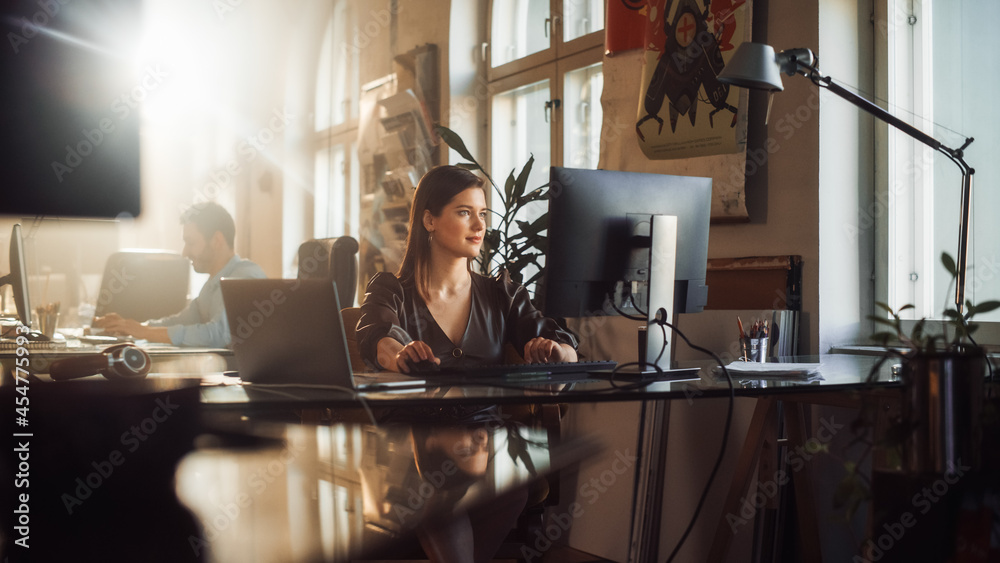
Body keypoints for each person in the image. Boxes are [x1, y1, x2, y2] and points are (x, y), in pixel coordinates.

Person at [356, 165, 578, 373]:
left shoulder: (503, 294)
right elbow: (378, 339)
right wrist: (399, 356)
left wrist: (559, 353)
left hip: (487, 417)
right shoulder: (390, 291)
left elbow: (566, 348)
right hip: (412, 415)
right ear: (429, 220)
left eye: (482, 213)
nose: (480, 225)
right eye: (464, 212)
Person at [94, 201, 265, 347]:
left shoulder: (245, 276)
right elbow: (183, 320)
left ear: (216, 240)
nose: (184, 253)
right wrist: (130, 326)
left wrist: (143, 331)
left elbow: (219, 334)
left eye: (190, 243)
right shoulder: (211, 287)